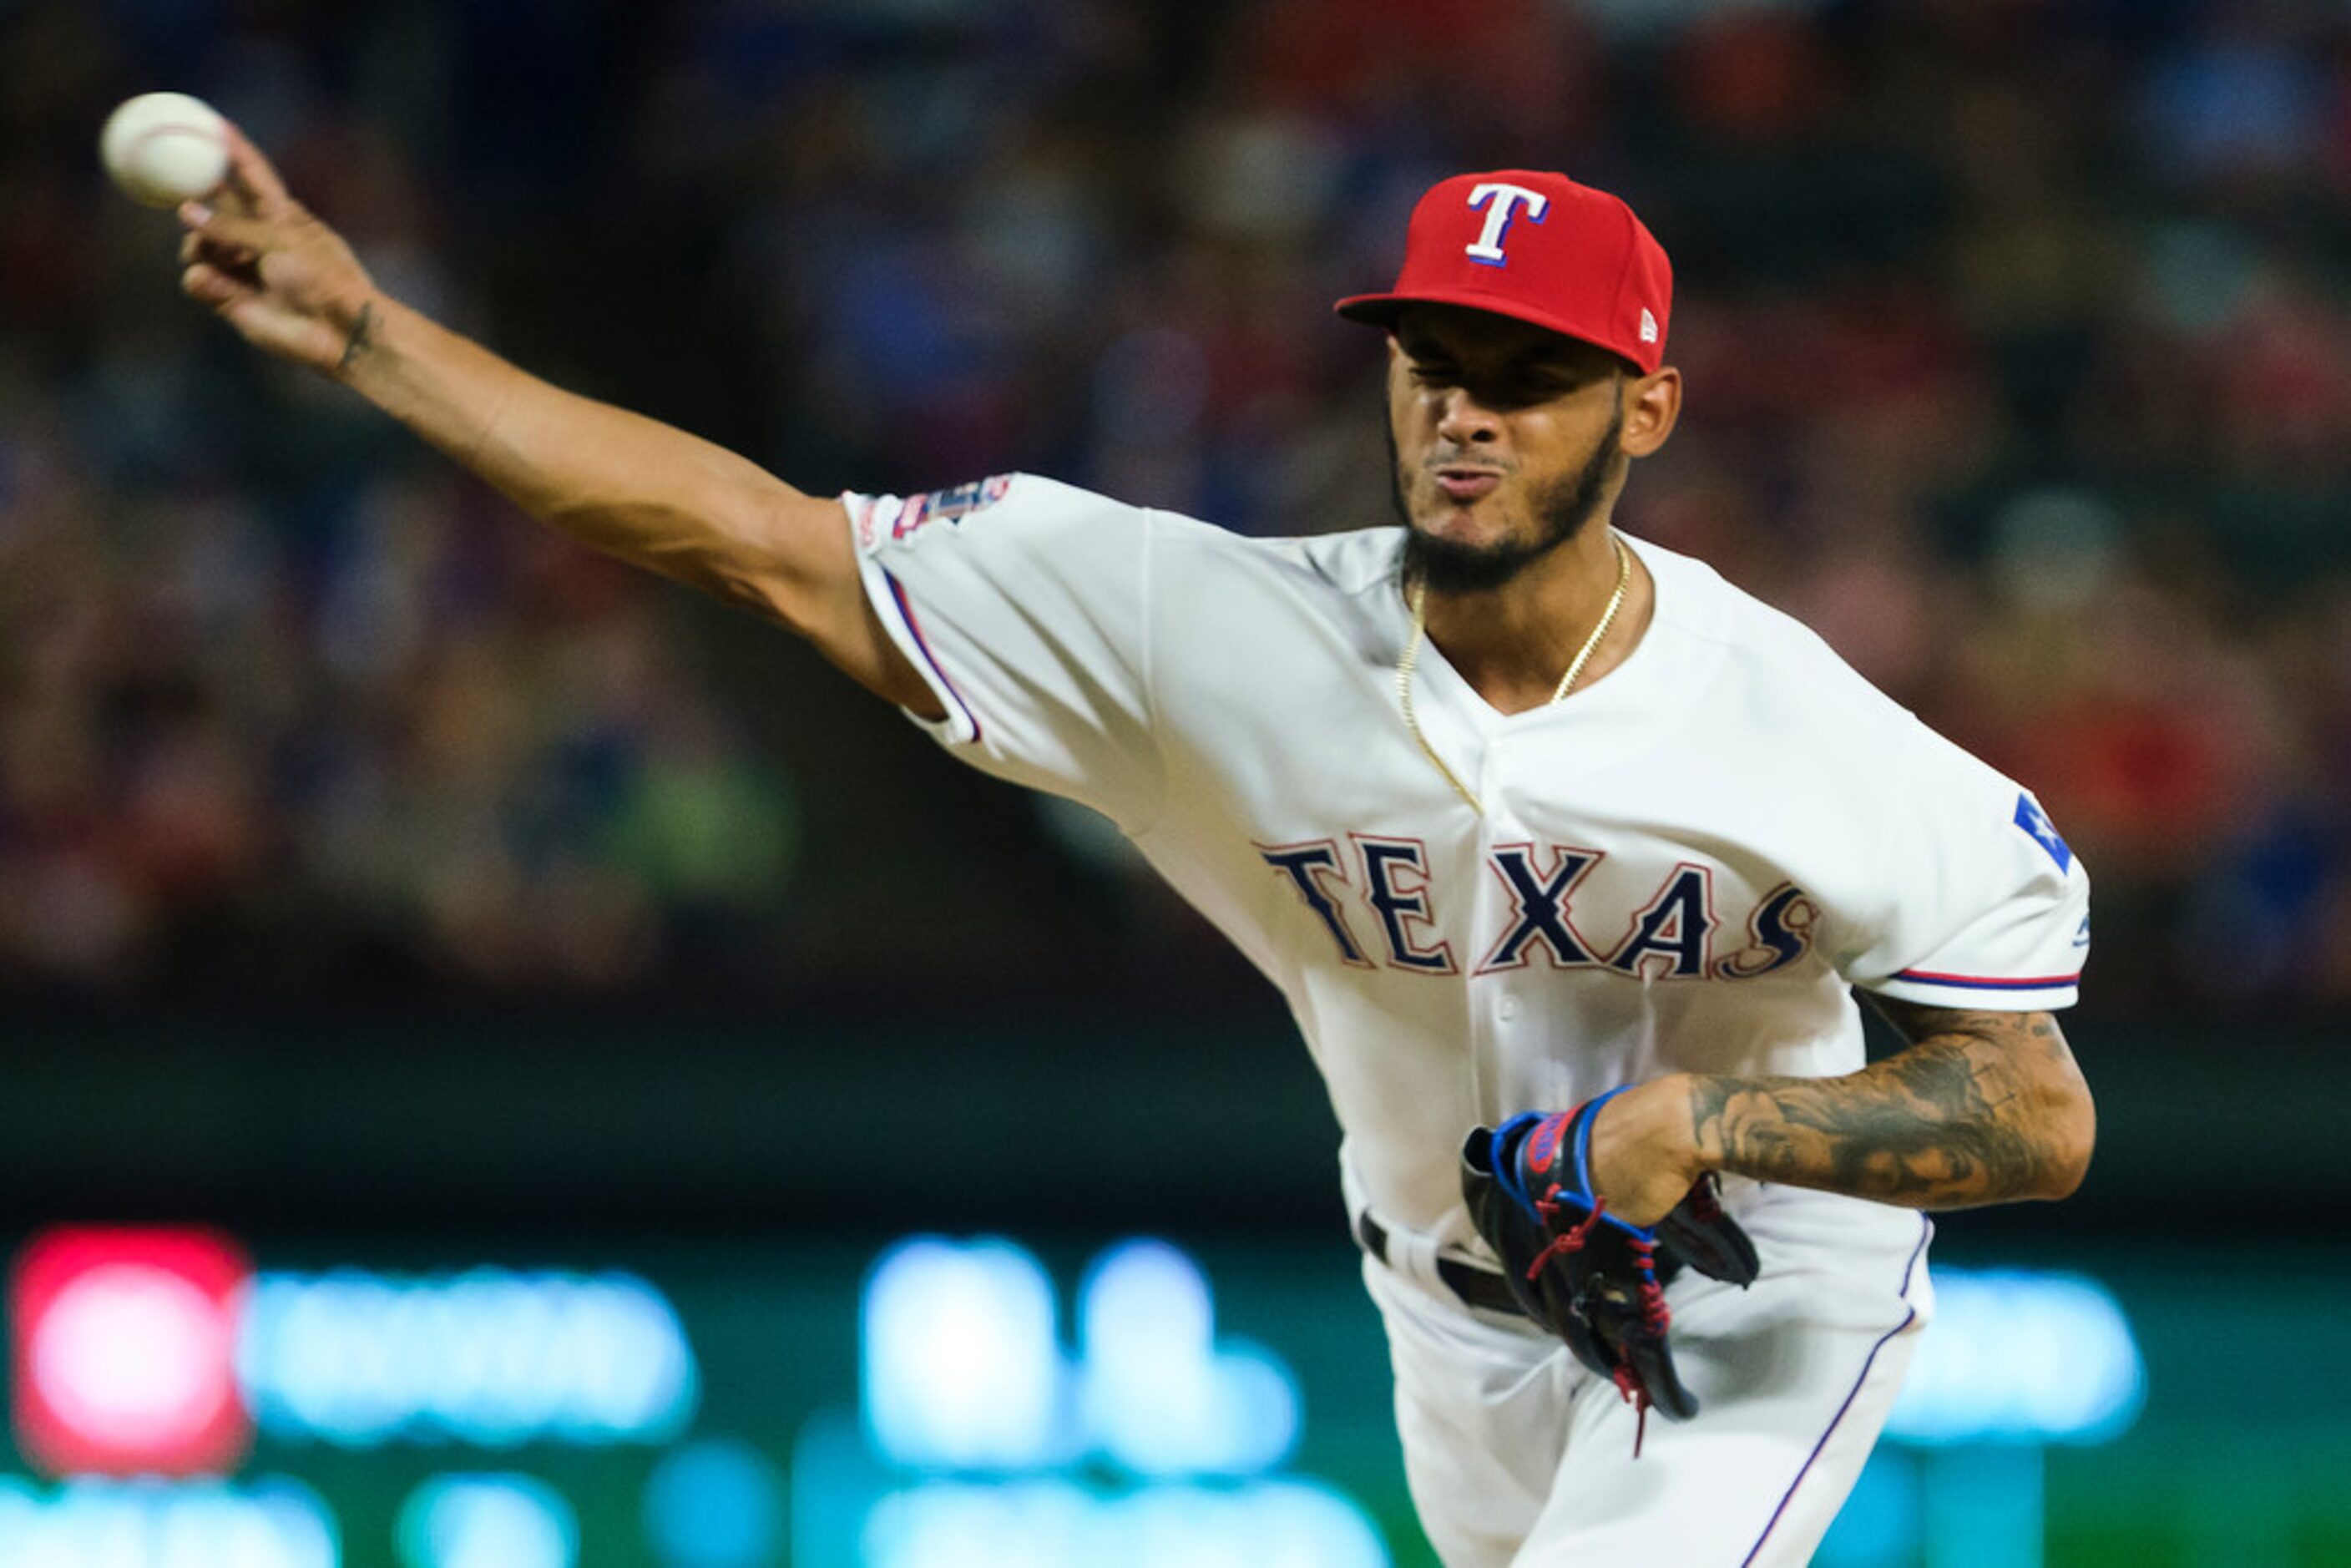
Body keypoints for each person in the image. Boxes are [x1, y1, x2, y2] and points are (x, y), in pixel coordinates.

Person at [177, 139, 2095, 1565]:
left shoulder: (1809, 738)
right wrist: (367, 340)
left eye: (1525, 371)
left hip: (1759, 1277)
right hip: (1448, 1292)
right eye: (1430, 354)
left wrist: (1713, 1128)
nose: (1461, 410)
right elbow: (742, 534)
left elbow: (2036, 1115)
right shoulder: (1210, 632)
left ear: (1645, 406)